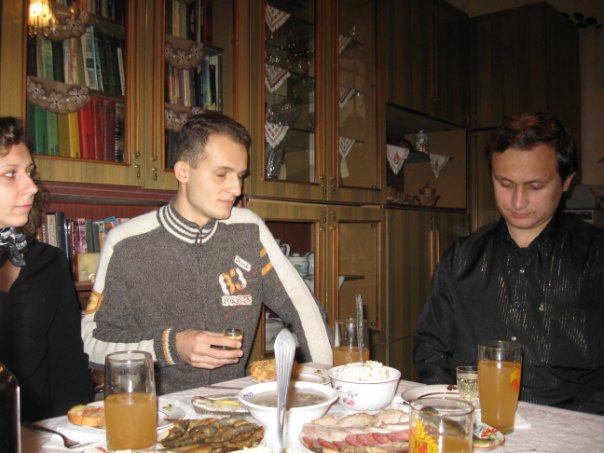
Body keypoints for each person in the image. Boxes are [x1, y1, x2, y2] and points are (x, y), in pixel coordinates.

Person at [82, 111, 332, 394]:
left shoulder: (249, 230)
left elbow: (302, 306)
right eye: (222, 174)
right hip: (157, 410)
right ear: (183, 172)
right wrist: (171, 346)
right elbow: (92, 344)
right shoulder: (126, 243)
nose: (236, 188)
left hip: (232, 402)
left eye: (240, 176)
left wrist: (326, 382)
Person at [413, 111, 604, 414]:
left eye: (535, 186)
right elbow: (431, 349)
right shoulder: (460, 259)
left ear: (566, 181)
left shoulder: (596, 258)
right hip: (474, 423)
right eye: (505, 183)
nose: (517, 201)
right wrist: (455, 414)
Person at [0, 117, 94, 421]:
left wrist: (79, 431)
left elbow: (68, 370)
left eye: (29, 172)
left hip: (38, 435)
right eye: (10, 174)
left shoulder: (48, 263)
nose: (31, 187)